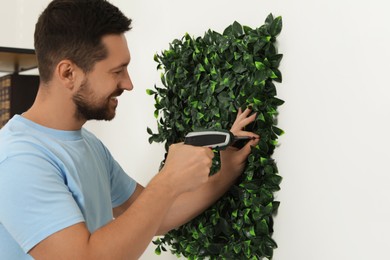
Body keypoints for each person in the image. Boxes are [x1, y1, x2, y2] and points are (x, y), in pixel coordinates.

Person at [0, 0, 259, 259]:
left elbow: (157, 216)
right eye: (117, 71)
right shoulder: (18, 159)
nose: (129, 83)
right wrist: (168, 181)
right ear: (68, 73)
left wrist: (226, 172)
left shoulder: (89, 146)